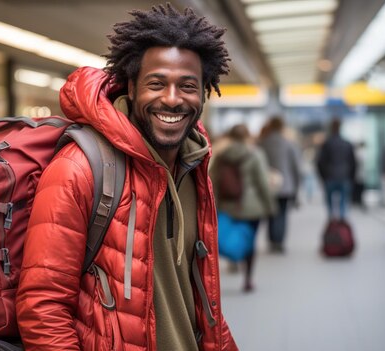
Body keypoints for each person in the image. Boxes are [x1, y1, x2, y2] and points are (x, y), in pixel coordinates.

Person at [15, 4, 238, 350]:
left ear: (204, 92)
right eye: (156, 83)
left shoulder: (194, 168)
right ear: (131, 87)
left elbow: (199, 298)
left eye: (188, 85)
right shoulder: (80, 168)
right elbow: (43, 307)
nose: (172, 99)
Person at [211, 124, 276, 292]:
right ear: (247, 136)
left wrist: (214, 205)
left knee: (230, 233)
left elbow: (213, 181)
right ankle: (248, 279)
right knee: (250, 241)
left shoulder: (221, 156)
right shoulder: (255, 154)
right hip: (252, 207)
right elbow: (262, 182)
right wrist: (269, 205)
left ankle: (234, 260)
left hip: (227, 204)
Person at [258, 117, 301, 253]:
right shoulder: (288, 144)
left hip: (268, 184)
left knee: (271, 213)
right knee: (282, 214)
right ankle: (279, 242)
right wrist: (297, 186)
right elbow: (295, 167)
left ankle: (271, 240)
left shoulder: (262, 143)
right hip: (286, 185)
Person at [316, 118, 356, 220]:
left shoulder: (327, 144)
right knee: (343, 204)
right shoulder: (347, 144)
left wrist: (323, 177)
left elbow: (320, 162)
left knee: (330, 206)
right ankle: (341, 225)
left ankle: (332, 224)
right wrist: (351, 177)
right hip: (344, 177)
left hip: (330, 177)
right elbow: (353, 162)